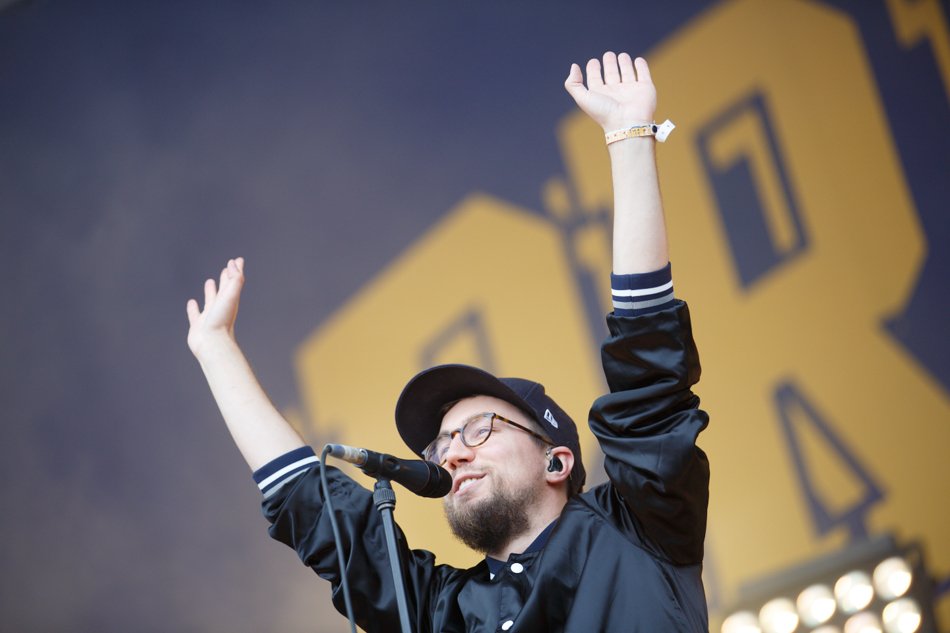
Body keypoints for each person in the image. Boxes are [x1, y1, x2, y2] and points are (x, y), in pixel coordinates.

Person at [186, 52, 709, 632]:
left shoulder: (636, 524)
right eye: (440, 447)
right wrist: (216, 350)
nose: (452, 455)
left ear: (557, 460)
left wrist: (629, 137)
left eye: (479, 429)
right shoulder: (443, 612)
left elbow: (647, 374)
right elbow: (316, 513)